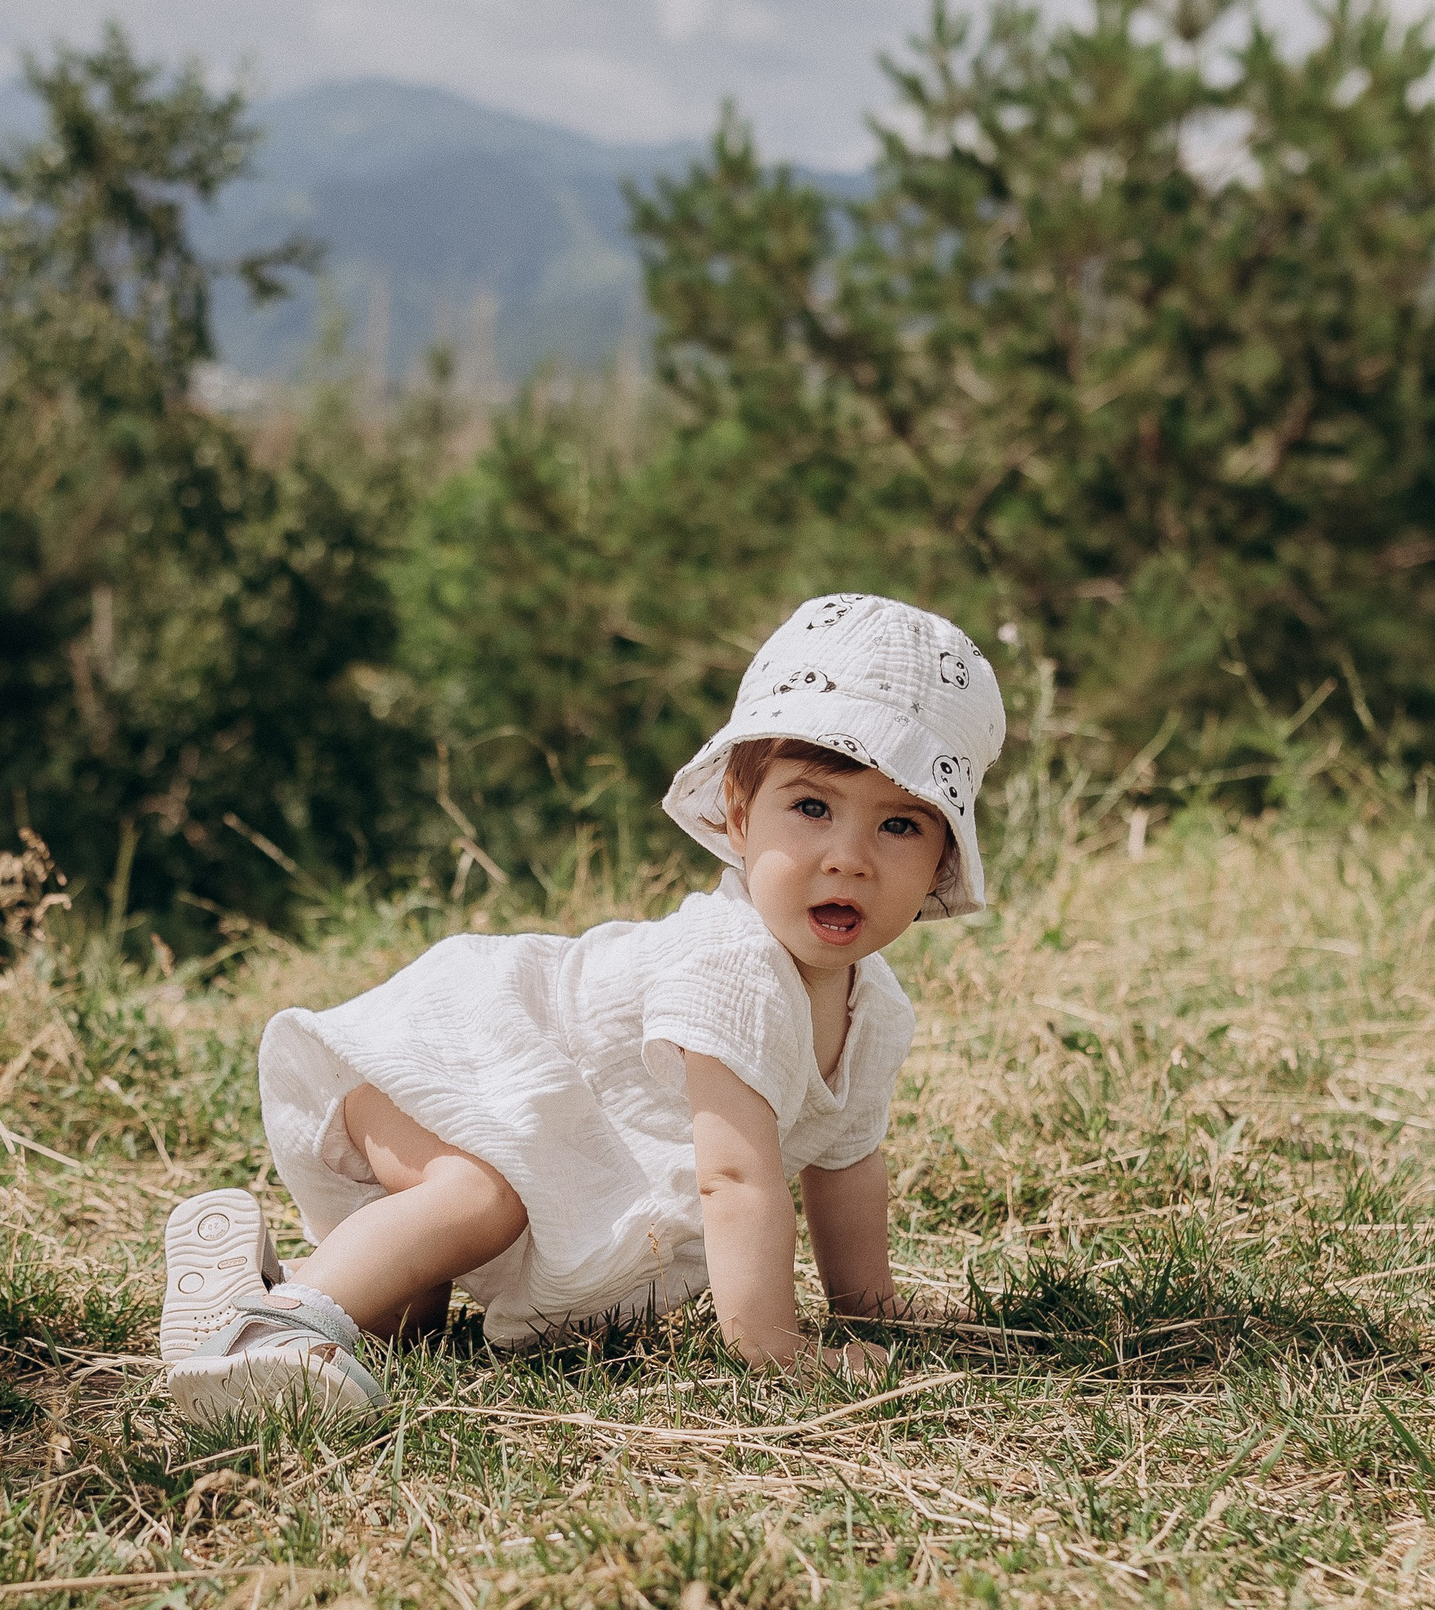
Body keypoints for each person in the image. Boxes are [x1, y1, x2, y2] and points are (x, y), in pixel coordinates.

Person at [157, 593, 1005, 1420]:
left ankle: (248, 1286)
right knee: (479, 1199)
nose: (848, 859)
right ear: (741, 818)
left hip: (544, 1133)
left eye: (899, 826)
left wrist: (869, 1308)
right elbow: (736, 1177)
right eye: (812, 807)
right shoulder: (733, 964)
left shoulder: (875, 1006)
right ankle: (269, 1334)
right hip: (468, 1063)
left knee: (402, 1325)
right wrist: (776, 1347)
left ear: (940, 860)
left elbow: (846, 1162)